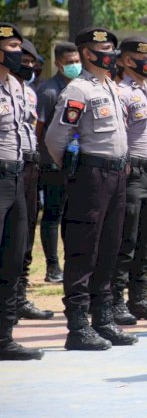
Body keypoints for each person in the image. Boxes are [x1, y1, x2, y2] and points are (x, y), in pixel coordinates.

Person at [45, 26, 137, 350]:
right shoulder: (78, 89)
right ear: (87, 53)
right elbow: (56, 139)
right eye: (104, 48)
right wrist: (76, 170)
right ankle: (78, 325)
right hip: (91, 176)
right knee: (84, 249)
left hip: (116, 176)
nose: (111, 53)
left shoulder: (111, 86)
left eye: (112, 47)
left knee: (110, 248)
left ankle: (103, 317)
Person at [111, 36, 147, 326]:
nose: (146, 64)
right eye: (138, 59)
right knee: (127, 238)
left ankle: (139, 296)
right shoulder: (120, 93)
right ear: (123, 60)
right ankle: (115, 300)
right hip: (131, 172)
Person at [0, 23, 44, 360]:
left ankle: (4, 338)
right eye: (12, 46)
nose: (19, 52)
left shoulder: (16, 85)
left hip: (17, 177)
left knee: (13, 258)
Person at [13, 39, 53, 321]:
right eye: (23, 61)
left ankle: (20, 296)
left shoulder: (29, 92)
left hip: (30, 168)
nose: (28, 67)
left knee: (25, 235)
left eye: (31, 63)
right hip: (8, 167)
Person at [35, 42, 81, 284]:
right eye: (70, 61)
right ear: (59, 63)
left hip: (75, 162)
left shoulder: (80, 87)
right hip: (53, 163)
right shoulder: (50, 91)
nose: (75, 65)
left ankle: (69, 264)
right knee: (53, 214)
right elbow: (39, 128)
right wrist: (49, 158)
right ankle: (52, 267)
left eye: (77, 60)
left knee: (71, 215)